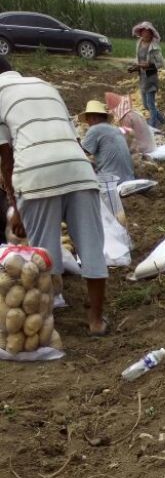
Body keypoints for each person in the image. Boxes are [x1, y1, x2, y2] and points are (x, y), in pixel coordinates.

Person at [0, 56, 109, 336]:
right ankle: (96, 321)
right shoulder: (45, 86)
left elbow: (6, 158)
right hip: (79, 170)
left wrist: (16, 208)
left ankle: (48, 320)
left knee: (43, 254)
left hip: (35, 174)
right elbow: (72, 138)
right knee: (92, 247)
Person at [80, 100, 135, 184]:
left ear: (94, 118)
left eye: (88, 119)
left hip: (111, 181)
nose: (87, 122)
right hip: (129, 179)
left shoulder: (95, 129)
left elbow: (81, 152)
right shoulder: (116, 130)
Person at [131, 21, 165, 131]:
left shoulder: (155, 47)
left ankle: (152, 128)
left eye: (147, 32)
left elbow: (161, 63)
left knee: (150, 104)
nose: (145, 34)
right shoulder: (139, 43)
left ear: (151, 34)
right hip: (142, 77)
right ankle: (164, 121)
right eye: (143, 32)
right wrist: (136, 66)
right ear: (140, 33)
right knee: (146, 105)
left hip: (151, 77)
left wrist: (149, 64)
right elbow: (138, 59)